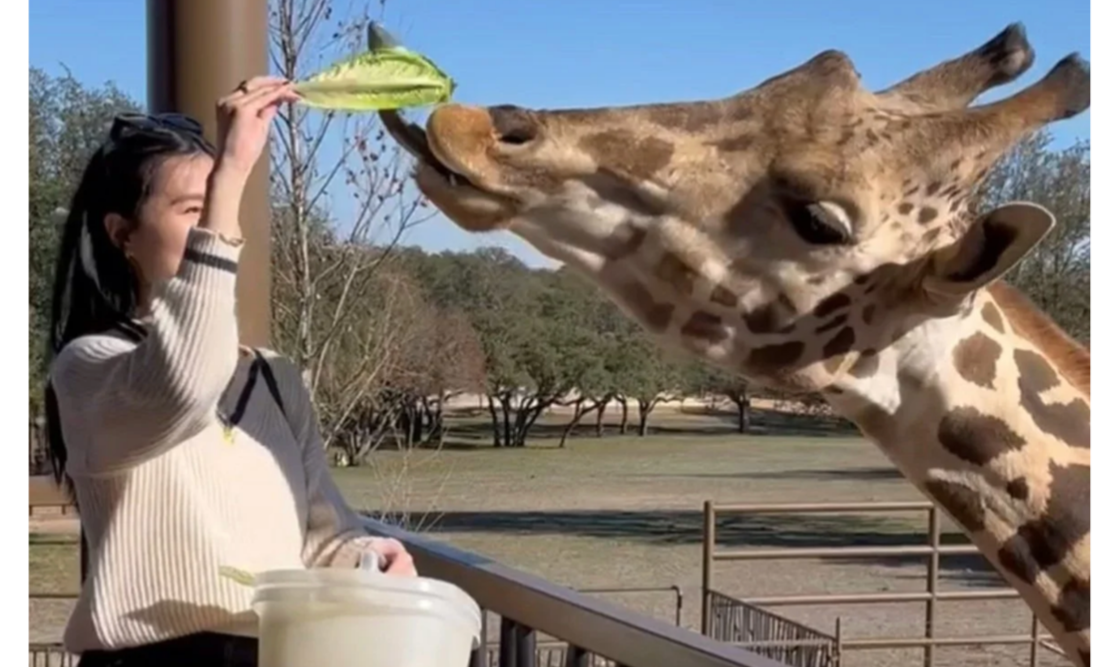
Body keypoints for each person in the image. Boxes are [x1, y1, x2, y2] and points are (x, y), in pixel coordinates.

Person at [44, 76, 416, 667]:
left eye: (225, 207)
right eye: (197, 209)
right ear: (123, 235)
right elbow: (185, 383)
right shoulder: (91, 367)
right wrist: (233, 173)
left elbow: (321, 534)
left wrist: (369, 556)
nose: (226, 231)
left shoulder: (274, 378)